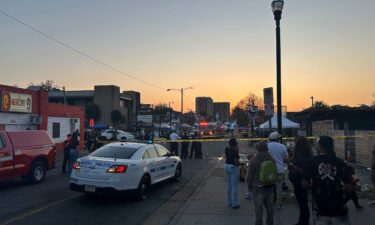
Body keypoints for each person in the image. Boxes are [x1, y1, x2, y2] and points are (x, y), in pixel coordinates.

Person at [302, 136, 353, 225]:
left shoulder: (311, 162)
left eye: (317, 143)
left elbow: (304, 184)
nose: (315, 145)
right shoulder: (340, 162)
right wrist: (344, 200)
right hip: (339, 208)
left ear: (321, 146)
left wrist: (314, 188)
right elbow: (349, 187)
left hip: (321, 208)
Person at [247, 141, 276, 225]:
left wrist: (249, 187)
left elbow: (249, 176)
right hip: (269, 187)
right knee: (270, 210)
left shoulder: (254, 160)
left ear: (257, 149)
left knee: (258, 212)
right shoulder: (271, 159)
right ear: (267, 148)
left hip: (258, 188)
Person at [288, 136, 313, 225]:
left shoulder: (300, 155)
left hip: (299, 181)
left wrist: (291, 164)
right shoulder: (307, 153)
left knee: (302, 202)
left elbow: (302, 169)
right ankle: (302, 220)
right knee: (303, 202)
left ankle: (304, 221)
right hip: (301, 180)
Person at [267, 131, 289, 211]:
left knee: (270, 188)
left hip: (269, 171)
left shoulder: (267, 146)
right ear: (277, 139)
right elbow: (286, 159)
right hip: (279, 170)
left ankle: (270, 202)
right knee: (279, 188)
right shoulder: (282, 146)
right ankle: (278, 205)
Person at [224, 138, 240, 209]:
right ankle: (235, 203)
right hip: (233, 168)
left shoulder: (226, 149)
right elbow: (236, 162)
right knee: (234, 187)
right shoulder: (235, 151)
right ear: (235, 144)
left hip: (226, 166)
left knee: (229, 185)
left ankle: (228, 202)